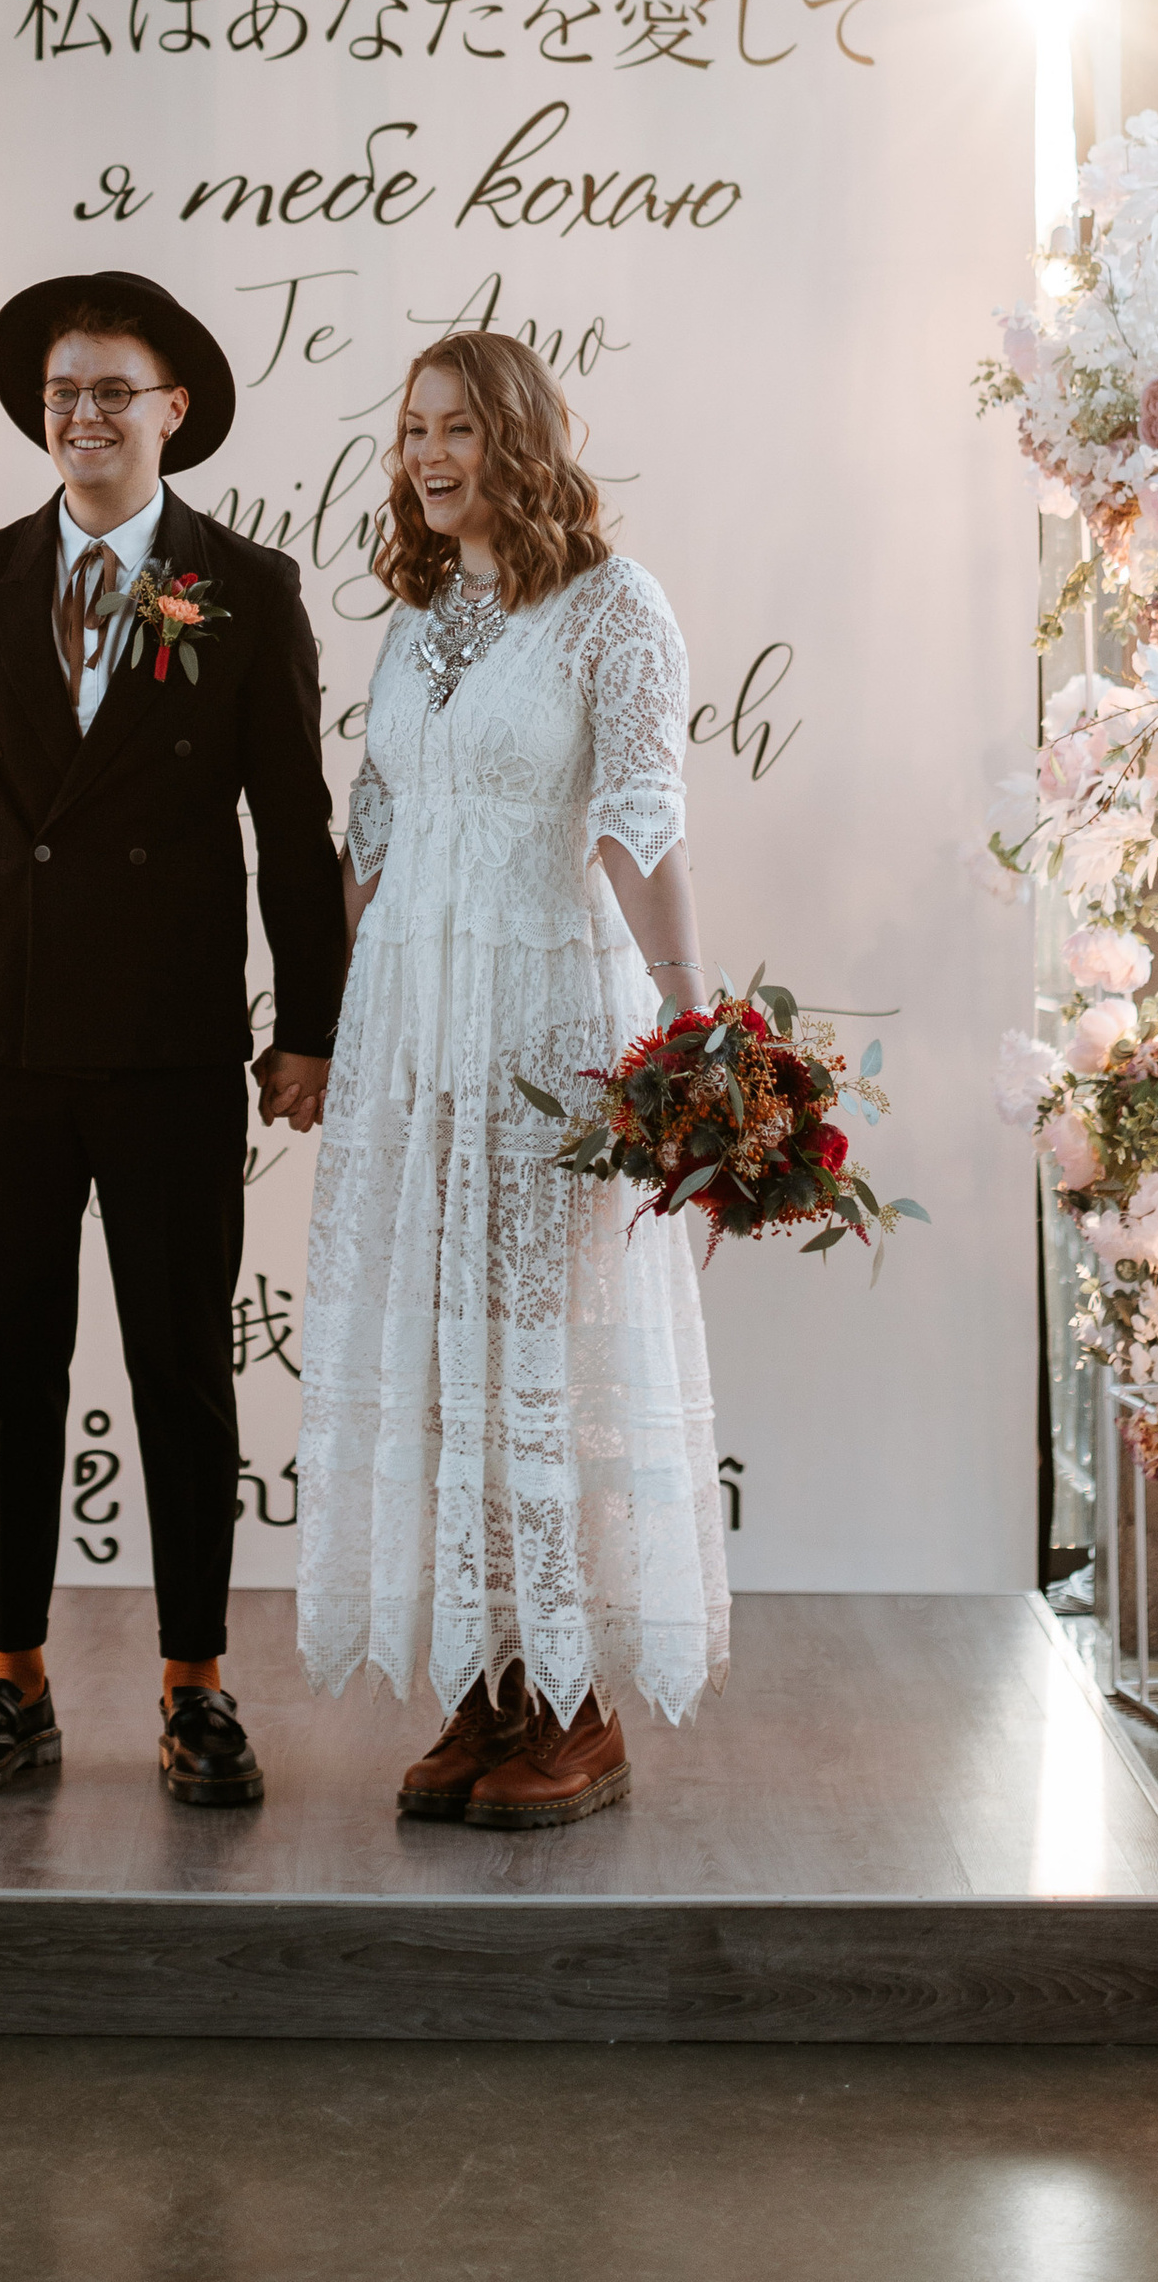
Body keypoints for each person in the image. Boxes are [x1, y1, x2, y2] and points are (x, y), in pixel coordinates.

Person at [0, 271, 347, 1810]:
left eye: (111, 392)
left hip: (169, 1042)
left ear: (173, 412)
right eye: (62, 391)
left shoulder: (247, 587)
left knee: (178, 1372)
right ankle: (12, 1681)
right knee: (8, 1368)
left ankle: (195, 1685)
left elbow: (294, 827)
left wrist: (312, 1027)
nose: (82, 414)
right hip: (0, 1039)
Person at [295, 330, 729, 1827]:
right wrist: (328, 1023)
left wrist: (690, 1037)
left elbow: (640, 822)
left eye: (458, 430)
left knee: (545, 1368)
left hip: (550, 1026)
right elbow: (376, 828)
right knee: (448, 1364)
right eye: (412, 428)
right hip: (419, 1027)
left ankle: (577, 1704)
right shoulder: (419, 619)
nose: (425, 455)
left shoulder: (618, 608)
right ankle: (487, 1688)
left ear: (521, 441)